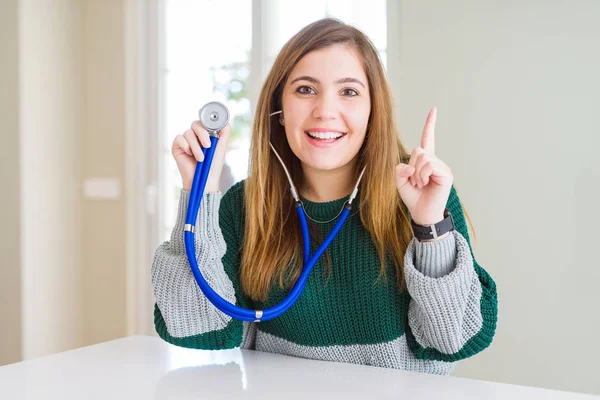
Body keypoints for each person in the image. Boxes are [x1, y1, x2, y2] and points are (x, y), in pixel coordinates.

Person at [152, 18, 497, 375]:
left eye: (348, 92)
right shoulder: (244, 205)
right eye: (305, 89)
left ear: (372, 111)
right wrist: (199, 196)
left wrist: (429, 228)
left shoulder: (423, 194)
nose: (325, 111)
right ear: (279, 110)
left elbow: (455, 339)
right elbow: (193, 328)